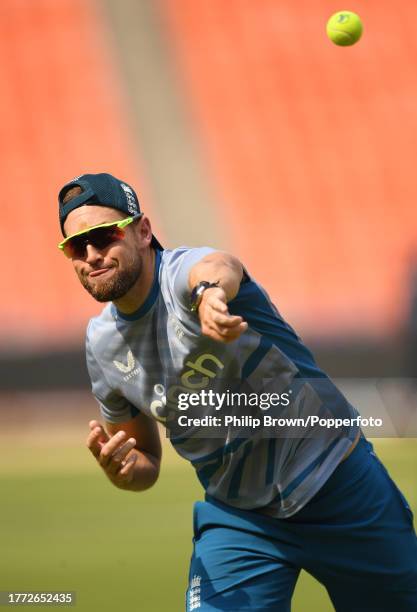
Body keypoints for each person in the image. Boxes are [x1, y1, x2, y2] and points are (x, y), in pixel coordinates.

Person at [58, 173, 417, 612]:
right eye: (77, 246)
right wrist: (124, 471)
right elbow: (145, 462)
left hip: (338, 484)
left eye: (103, 236)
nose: (92, 255)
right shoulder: (100, 344)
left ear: (143, 231)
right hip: (239, 518)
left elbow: (219, 266)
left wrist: (210, 295)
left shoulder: (184, 277)